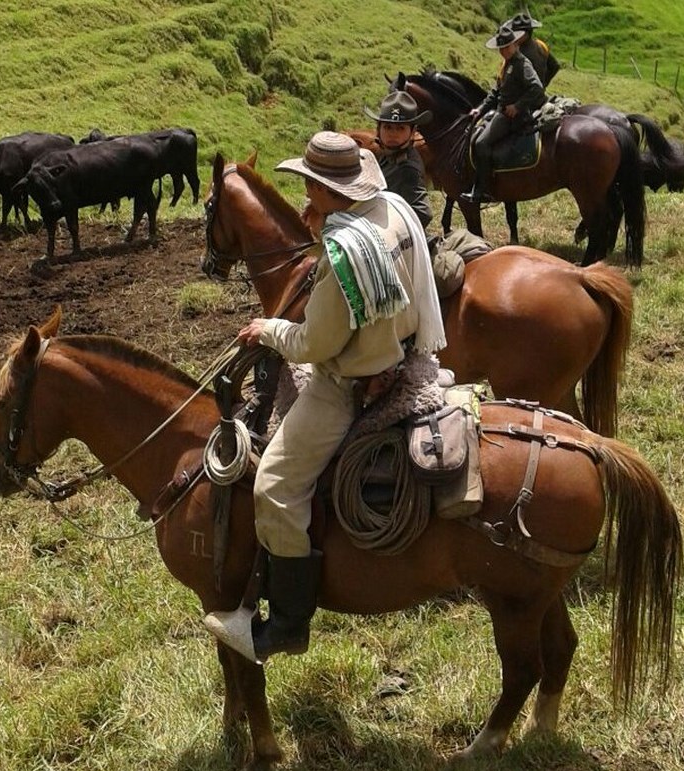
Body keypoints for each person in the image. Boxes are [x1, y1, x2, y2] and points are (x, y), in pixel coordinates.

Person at [204, 131, 446, 663]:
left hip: (350, 384)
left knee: (273, 485)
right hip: (410, 356)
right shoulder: (395, 209)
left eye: (312, 190)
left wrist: (267, 329)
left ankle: (286, 624)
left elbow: (314, 344)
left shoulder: (343, 257)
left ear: (329, 189)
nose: (307, 202)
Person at [460, 20, 547, 203]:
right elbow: (496, 92)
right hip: (500, 112)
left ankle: (483, 189)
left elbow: (536, 88)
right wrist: (480, 109)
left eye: (506, 47)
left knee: (481, 143)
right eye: (501, 48)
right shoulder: (506, 64)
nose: (503, 51)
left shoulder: (523, 64)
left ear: (515, 44)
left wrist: (518, 106)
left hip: (512, 117)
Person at [364, 90, 434, 229]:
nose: (393, 134)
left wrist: (392, 234)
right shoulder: (388, 155)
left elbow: (422, 213)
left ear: (413, 132)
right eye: (388, 127)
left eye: (400, 128)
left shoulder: (407, 168)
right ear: (378, 129)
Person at [509, 11, 560, 88]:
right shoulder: (540, 45)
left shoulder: (519, 53)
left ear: (526, 33)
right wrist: (543, 84)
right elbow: (555, 66)